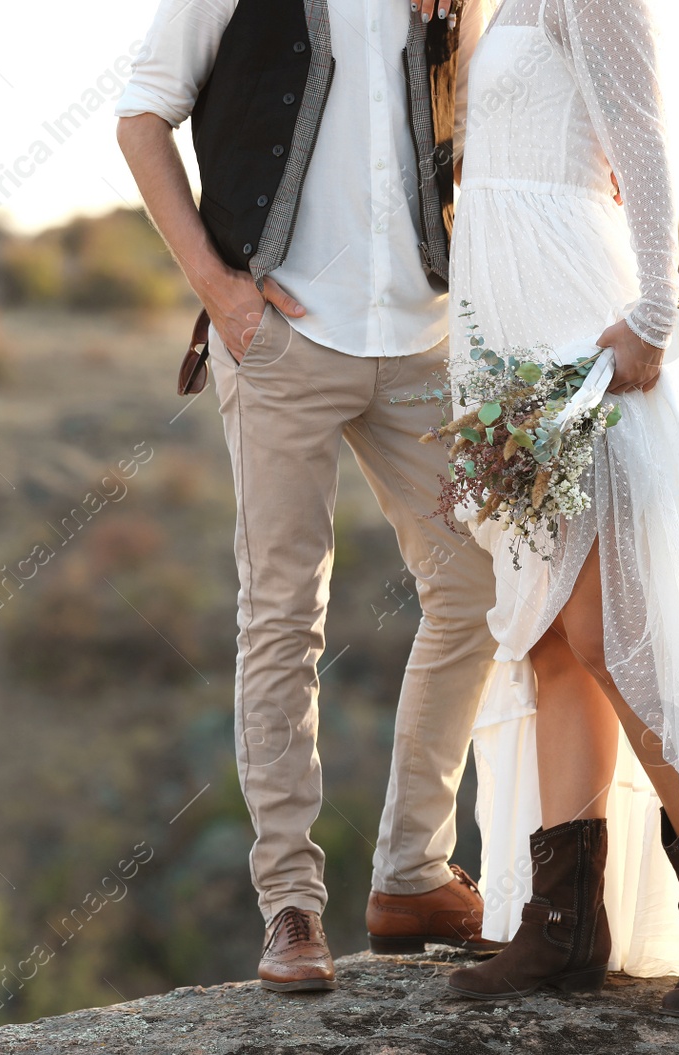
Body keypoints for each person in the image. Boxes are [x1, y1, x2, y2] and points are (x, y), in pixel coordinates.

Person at [116, 0, 506, 992]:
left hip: (422, 339)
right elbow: (140, 116)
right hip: (282, 340)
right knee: (284, 614)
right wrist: (219, 290)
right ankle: (289, 906)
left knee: (478, 590)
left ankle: (413, 872)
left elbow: (492, 122)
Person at [439, 0, 679, 1016]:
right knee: (550, 636)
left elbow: (640, 138)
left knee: (606, 631)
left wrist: (651, 310)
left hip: (580, 329)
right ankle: (562, 928)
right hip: (509, 339)